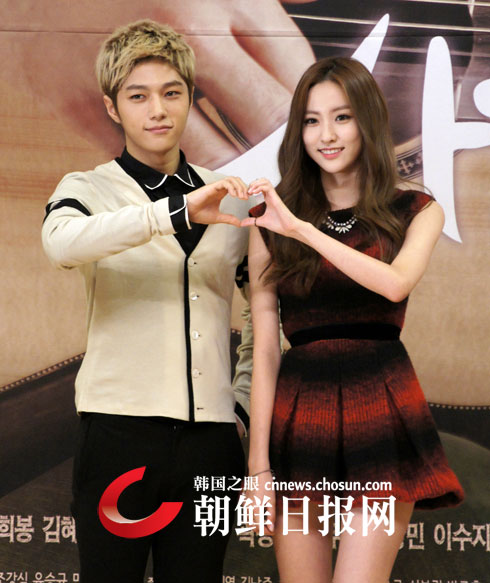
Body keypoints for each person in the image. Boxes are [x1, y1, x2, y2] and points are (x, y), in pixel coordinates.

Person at [42, 20, 253, 583]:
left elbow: (266, 309)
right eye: (138, 97)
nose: (157, 110)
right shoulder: (87, 189)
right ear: (112, 108)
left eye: (171, 93)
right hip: (119, 435)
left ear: (190, 97)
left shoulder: (231, 196)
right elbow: (61, 245)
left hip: (211, 443)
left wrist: (242, 404)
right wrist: (174, 213)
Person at [242, 57, 464, 583]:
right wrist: (258, 467)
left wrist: (302, 229)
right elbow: (266, 348)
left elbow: (395, 283)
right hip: (300, 412)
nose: (326, 135)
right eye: (311, 121)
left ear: (368, 120)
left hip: (381, 405)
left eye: (341, 117)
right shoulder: (268, 221)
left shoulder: (416, 208)